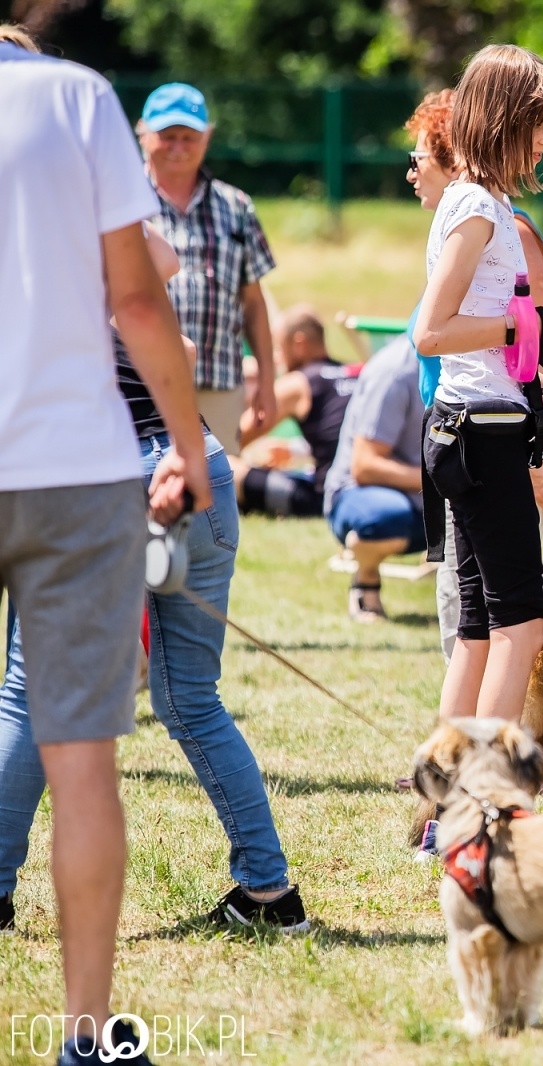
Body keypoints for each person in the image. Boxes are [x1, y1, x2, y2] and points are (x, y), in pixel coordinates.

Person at [2, 225, 307, 948]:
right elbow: (166, 266)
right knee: (192, 700)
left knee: (27, 694)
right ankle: (272, 892)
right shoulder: (104, 276)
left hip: (109, 485)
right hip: (197, 467)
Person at [1, 31, 212, 1065]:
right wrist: (188, 443)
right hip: (71, 466)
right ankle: (84, 1035)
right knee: (81, 762)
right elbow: (139, 294)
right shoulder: (77, 98)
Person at [414, 43, 543, 730]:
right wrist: (510, 327)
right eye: (540, 122)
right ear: (503, 120)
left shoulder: (478, 203)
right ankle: (486, 794)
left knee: (478, 627)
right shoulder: (479, 211)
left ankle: (443, 799)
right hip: (481, 435)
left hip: (475, 431)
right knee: (521, 625)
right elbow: (430, 332)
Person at [138, 82, 276, 455]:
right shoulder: (124, 203)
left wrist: (266, 379)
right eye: (168, 137)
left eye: (189, 137)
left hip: (218, 378)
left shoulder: (236, 206)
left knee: (215, 488)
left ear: (207, 137)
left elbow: (253, 302)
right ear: (143, 134)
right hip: (142, 377)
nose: (178, 148)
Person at [322, 333, 426, 621]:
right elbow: (365, 466)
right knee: (382, 519)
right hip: (360, 494)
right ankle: (365, 578)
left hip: (429, 493)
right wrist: (442, 481)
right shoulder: (396, 371)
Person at [230, 305, 357, 518]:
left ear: (299, 344)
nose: (277, 359)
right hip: (367, 491)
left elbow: (236, 436)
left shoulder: (300, 383)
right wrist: (293, 450)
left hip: (326, 499)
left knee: (226, 468)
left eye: (278, 349)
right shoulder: (354, 374)